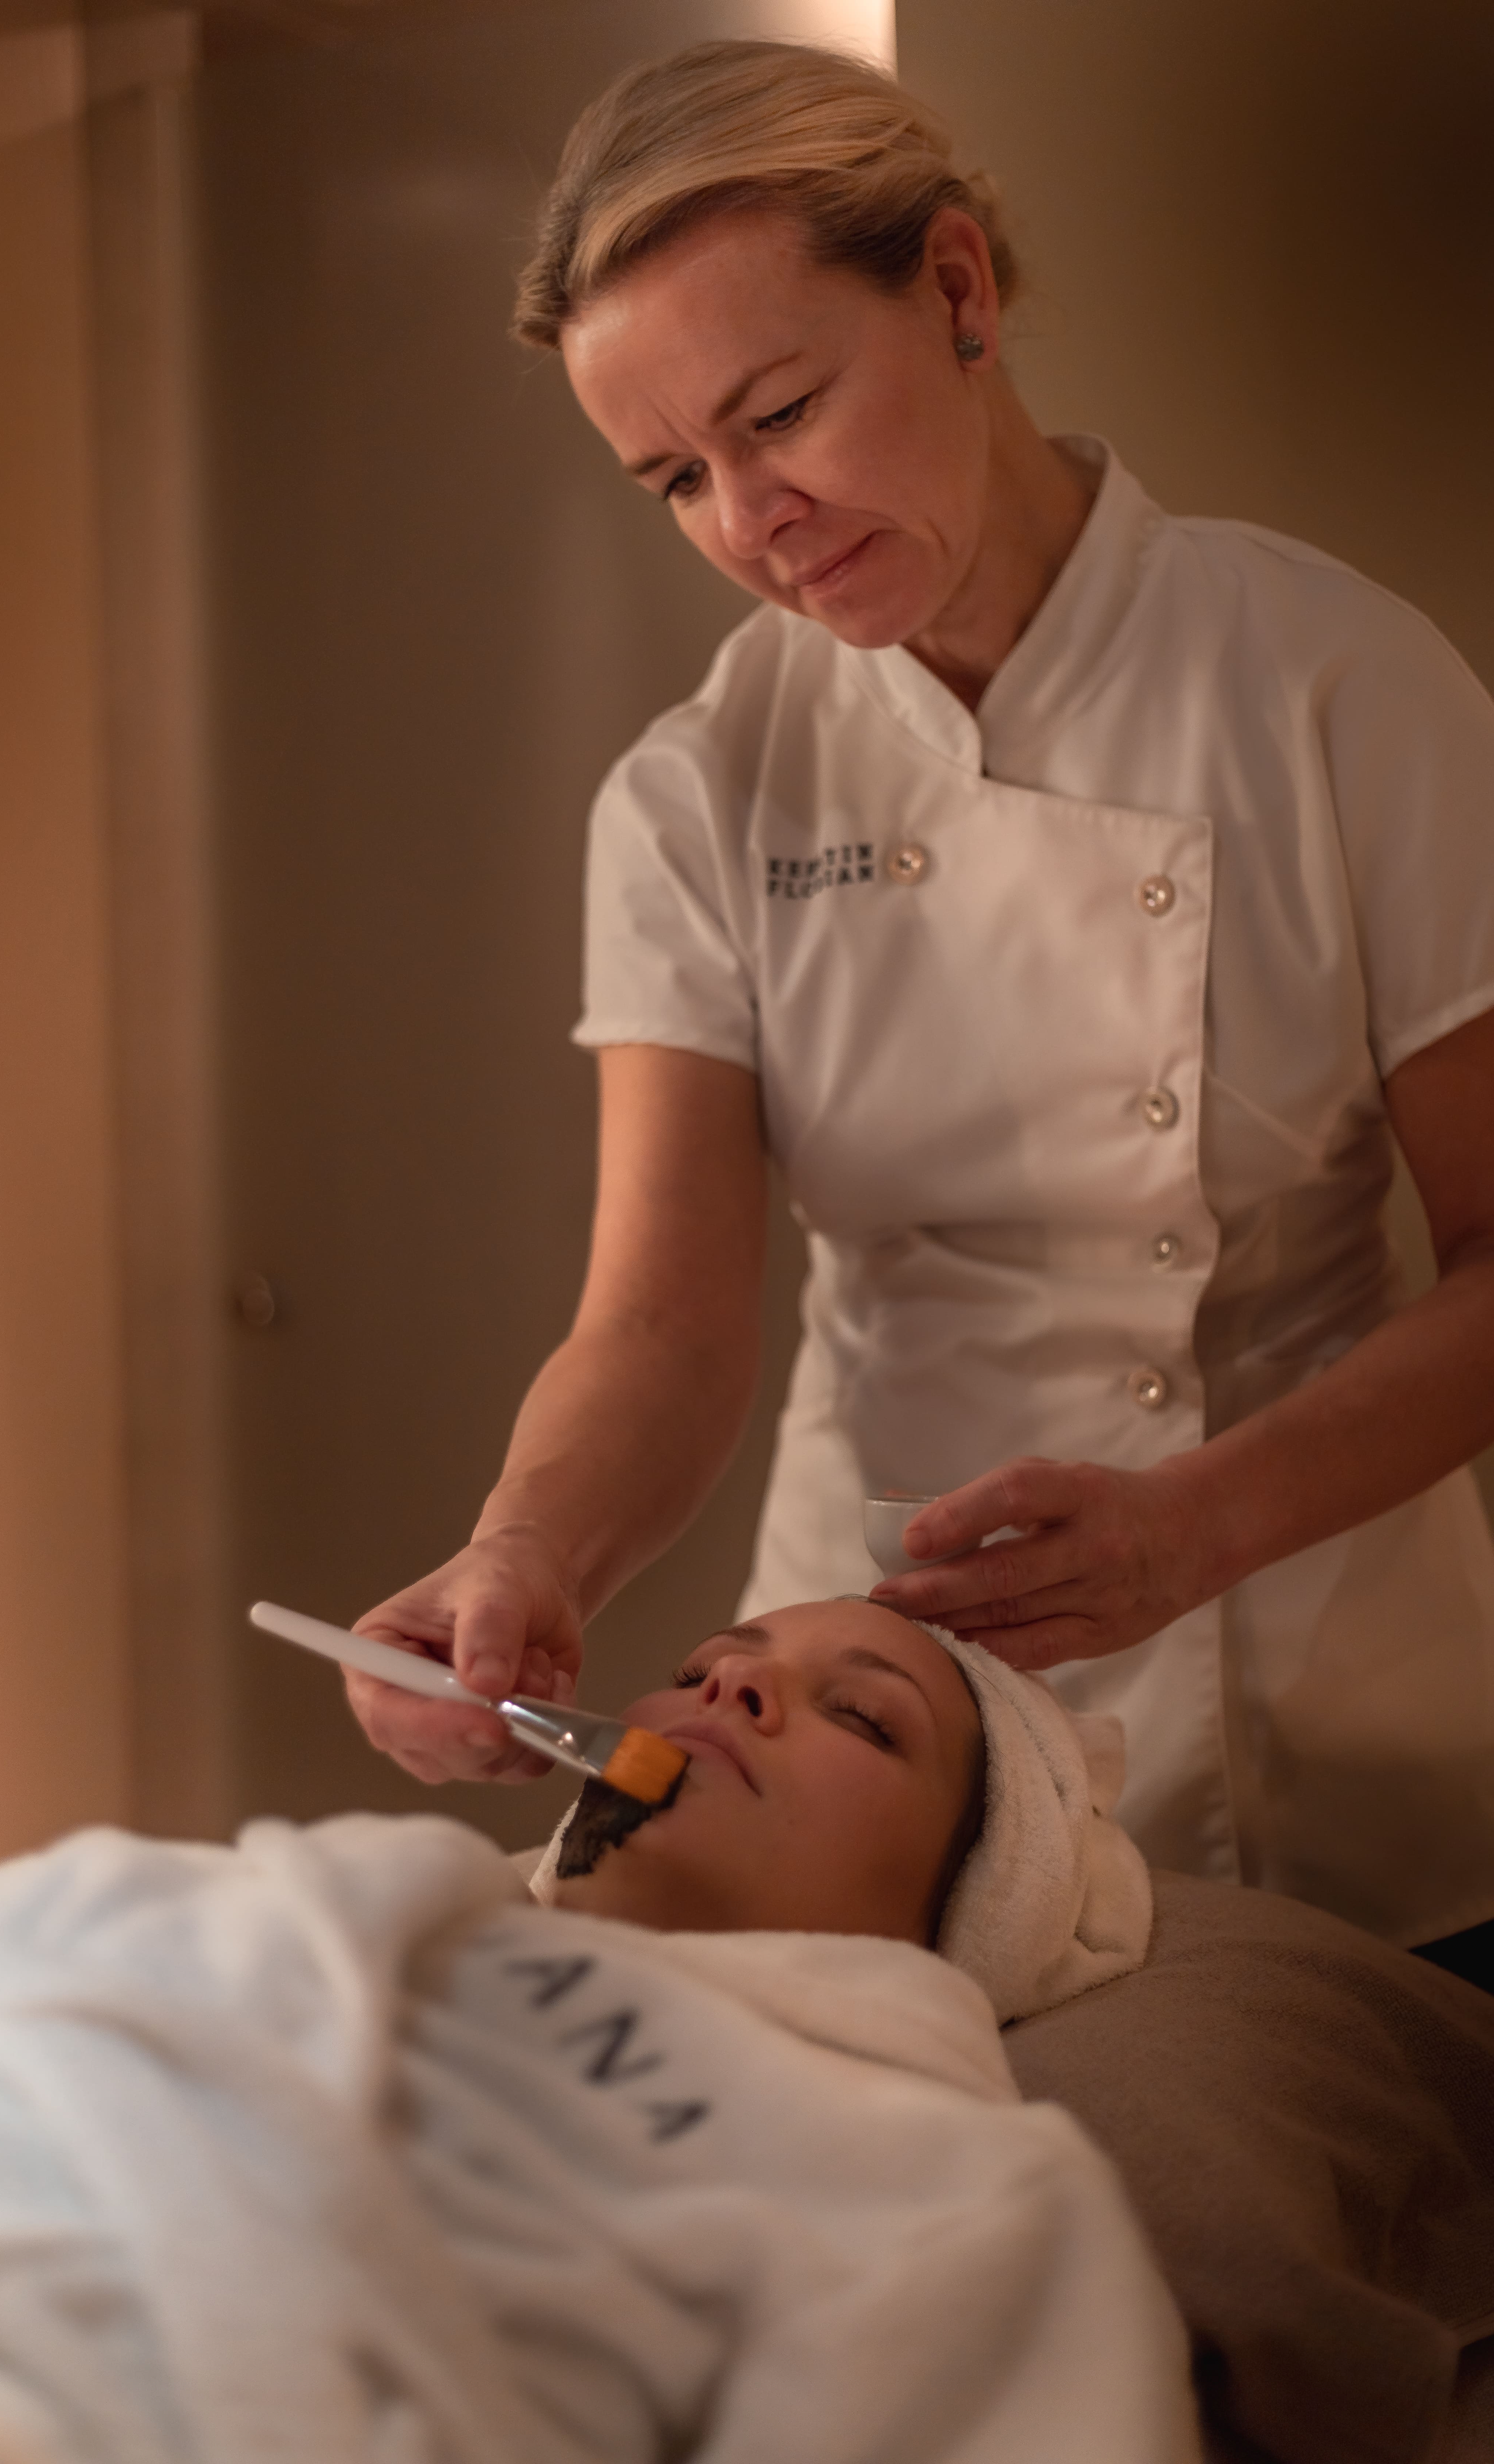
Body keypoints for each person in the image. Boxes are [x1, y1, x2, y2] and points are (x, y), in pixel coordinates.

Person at [348, 41, 1494, 1976]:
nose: (750, 517)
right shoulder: (698, 792)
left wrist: (1194, 1530)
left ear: (957, 289)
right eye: (674, 481)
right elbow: (664, 1319)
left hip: (1322, 1671)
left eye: (780, 410)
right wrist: (523, 1555)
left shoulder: (1333, 684)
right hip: (877, 1758)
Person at [0, 1600, 1198, 2464]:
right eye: (703, 1666)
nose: (725, 1689)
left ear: (968, 1909)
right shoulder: (368, 1908)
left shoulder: (956, 2191)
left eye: (860, 1715)